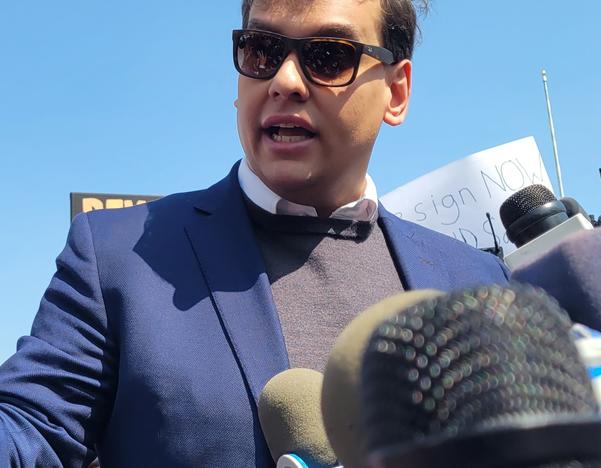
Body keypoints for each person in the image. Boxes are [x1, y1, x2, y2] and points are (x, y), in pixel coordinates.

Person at [0, 0, 509, 466]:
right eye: (262, 50)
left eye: (329, 56)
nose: (285, 80)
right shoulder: (116, 256)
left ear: (396, 93)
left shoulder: (479, 282)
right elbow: (29, 428)